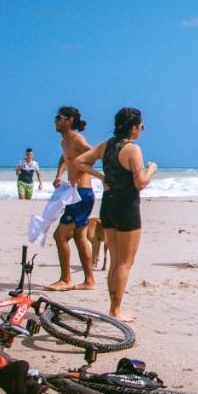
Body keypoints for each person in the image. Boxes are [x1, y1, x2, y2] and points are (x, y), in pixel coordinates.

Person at [72, 107, 157, 320]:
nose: (142, 130)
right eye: (141, 127)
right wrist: (151, 170)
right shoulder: (132, 149)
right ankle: (116, 310)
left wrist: (101, 177)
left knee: (115, 261)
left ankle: (113, 306)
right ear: (134, 128)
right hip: (126, 206)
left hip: (108, 205)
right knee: (125, 262)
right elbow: (140, 183)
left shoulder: (105, 145)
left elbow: (79, 161)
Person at [47, 106, 97, 291]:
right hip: (77, 194)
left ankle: (66, 279)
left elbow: (94, 154)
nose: (55, 121)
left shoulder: (77, 138)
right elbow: (64, 158)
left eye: (58, 118)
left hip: (82, 193)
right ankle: (89, 281)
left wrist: (80, 171)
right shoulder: (64, 141)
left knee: (59, 235)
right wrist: (59, 175)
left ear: (69, 120)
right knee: (79, 237)